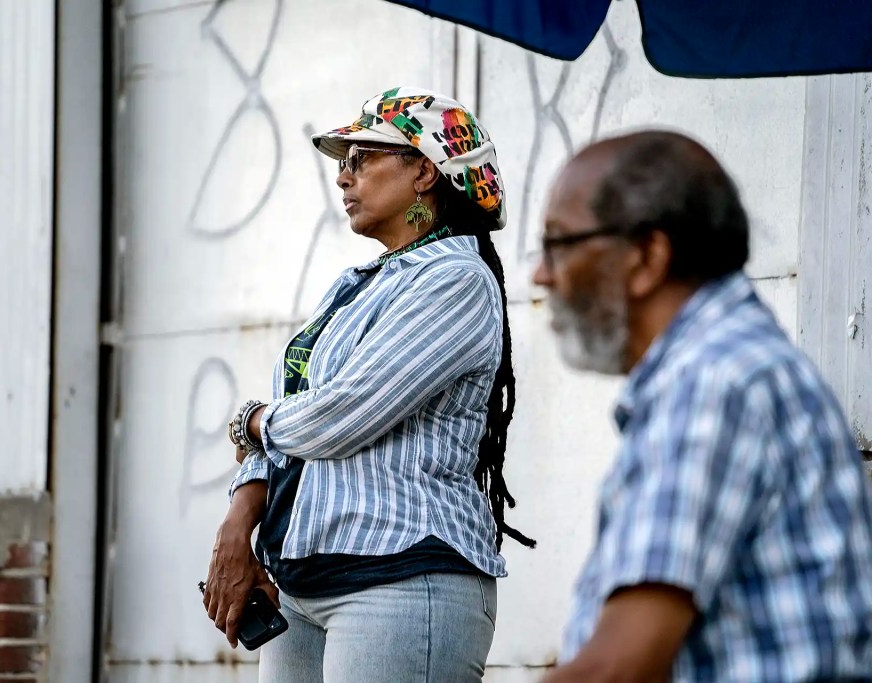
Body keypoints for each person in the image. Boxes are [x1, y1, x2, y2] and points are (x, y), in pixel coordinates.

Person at [203, 87, 534, 682]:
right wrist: (236, 525)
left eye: (361, 158)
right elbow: (292, 417)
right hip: (299, 585)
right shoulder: (354, 284)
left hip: (402, 581)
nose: (343, 177)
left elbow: (342, 416)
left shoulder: (456, 280)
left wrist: (252, 421)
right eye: (341, 163)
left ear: (425, 172)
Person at [534, 130, 872, 682]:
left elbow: (617, 669)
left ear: (647, 257)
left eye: (559, 243)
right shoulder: (727, 366)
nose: (541, 274)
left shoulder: (710, 380)